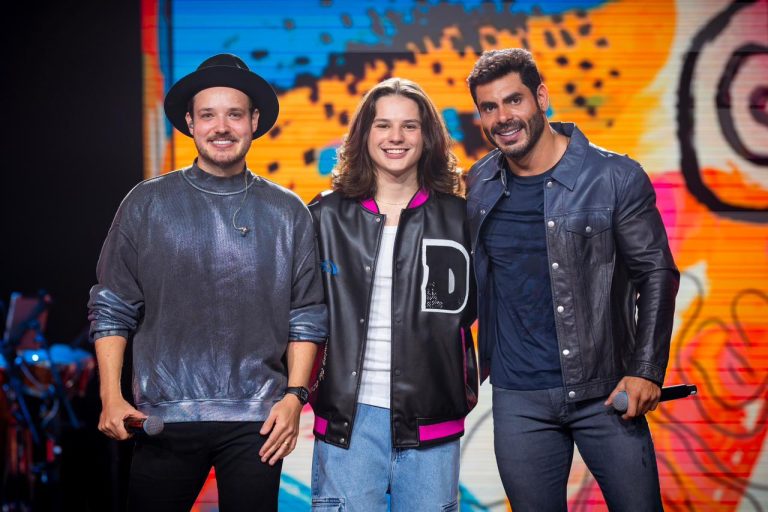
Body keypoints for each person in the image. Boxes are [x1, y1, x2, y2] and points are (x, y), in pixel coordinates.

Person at [88, 53, 327, 512]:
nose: (222, 127)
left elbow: (306, 314)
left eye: (234, 114)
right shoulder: (146, 203)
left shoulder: (288, 212)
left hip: (258, 421)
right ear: (190, 123)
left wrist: (295, 398)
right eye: (208, 115)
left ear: (253, 122)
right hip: (162, 417)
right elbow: (113, 305)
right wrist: (110, 396)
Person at [465, 48, 679, 511]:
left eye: (514, 100)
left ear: (541, 98)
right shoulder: (479, 183)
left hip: (605, 391)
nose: (503, 117)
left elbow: (656, 273)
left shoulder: (614, 177)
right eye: (489, 107)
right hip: (519, 397)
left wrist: (646, 370)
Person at [308, 78, 478, 511]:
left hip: (432, 421)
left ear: (428, 136)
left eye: (410, 126)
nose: (396, 137)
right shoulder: (325, 215)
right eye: (383, 125)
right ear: (364, 134)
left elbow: (480, 311)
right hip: (348, 422)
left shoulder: (460, 219)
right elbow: (301, 313)